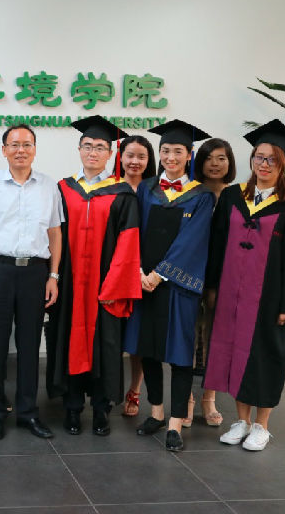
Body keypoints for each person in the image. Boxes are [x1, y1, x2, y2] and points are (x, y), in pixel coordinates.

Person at [205, 120, 285, 451]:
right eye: (259, 157)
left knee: (267, 357)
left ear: (284, 165)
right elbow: (216, 245)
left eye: (272, 159)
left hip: (271, 300)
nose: (264, 164)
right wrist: (212, 287)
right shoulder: (233, 197)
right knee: (234, 353)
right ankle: (242, 421)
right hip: (232, 296)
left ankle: (262, 425)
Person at [47, 116, 141, 438]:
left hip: (105, 286)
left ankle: (101, 409)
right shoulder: (63, 189)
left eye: (100, 147)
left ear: (110, 153)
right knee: (68, 340)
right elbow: (52, 234)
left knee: (106, 345)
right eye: (87, 146)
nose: (93, 152)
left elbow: (129, 243)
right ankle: (72, 406)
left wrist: (114, 285)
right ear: (79, 149)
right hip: (70, 283)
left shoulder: (122, 194)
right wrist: (53, 276)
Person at [123, 120, 214, 452]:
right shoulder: (147, 189)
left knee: (179, 354)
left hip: (177, 285)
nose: (171, 157)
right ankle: (157, 412)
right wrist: (138, 270)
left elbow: (192, 241)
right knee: (146, 348)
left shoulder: (202, 196)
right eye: (165, 151)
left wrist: (159, 274)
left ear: (189, 155)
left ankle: (176, 423)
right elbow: (133, 231)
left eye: (178, 151)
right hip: (143, 281)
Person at [0, 124, 62, 440]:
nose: (20, 150)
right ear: (4, 150)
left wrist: (53, 275)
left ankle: (28, 412)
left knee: (29, 344)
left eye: (27, 144)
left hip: (35, 273)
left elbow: (55, 233)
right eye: (14, 144)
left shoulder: (49, 186)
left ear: (35, 149)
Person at [190, 137, 237, 427]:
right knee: (187, 334)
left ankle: (209, 398)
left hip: (222, 273)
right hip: (190, 269)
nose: (215, 164)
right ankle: (186, 398)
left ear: (230, 162)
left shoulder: (239, 196)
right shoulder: (190, 191)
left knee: (214, 336)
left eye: (221, 158)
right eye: (208, 158)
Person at [116, 135, 156, 418]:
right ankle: (107, 389)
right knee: (111, 335)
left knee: (137, 337)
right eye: (130, 155)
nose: (134, 161)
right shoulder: (108, 187)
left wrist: (142, 270)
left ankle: (134, 389)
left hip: (144, 272)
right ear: (120, 157)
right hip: (113, 270)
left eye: (141, 156)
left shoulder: (155, 190)